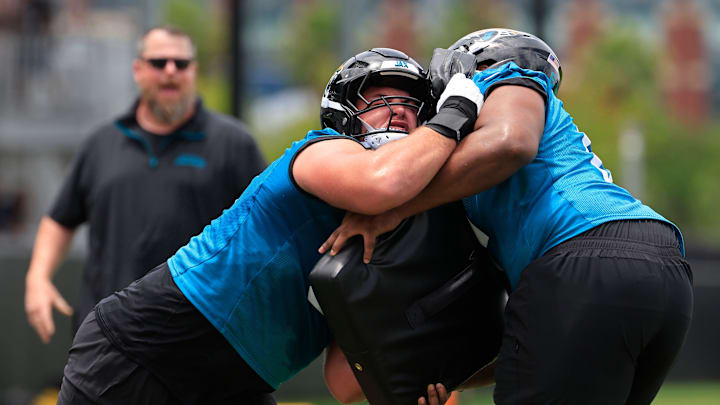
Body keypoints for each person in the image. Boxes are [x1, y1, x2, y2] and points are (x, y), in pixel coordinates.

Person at [55, 47, 484, 405]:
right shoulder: (321, 151)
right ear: (344, 112)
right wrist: (459, 107)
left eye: (412, 107)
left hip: (236, 381)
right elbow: (383, 181)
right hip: (147, 347)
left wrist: (430, 372)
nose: (400, 115)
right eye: (382, 102)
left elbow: (344, 381)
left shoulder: (398, 232)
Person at [320, 29, 694, 405]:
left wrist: (394, 210)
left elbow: (511, 142)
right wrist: (447, 379)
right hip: (661, 274)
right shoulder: (487, 195)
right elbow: (536, 345)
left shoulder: (503, 78)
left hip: (585, 256)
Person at [24, 26, 266, 344]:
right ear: (138, 70)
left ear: (193, 72)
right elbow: (60, 220)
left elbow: (268, 219)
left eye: (180, 64)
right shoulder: (101, 143)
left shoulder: (234, 144)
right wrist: (37, 278)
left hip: (198, 337)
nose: (170, 71)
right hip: (105, 337)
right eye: (158, 62)